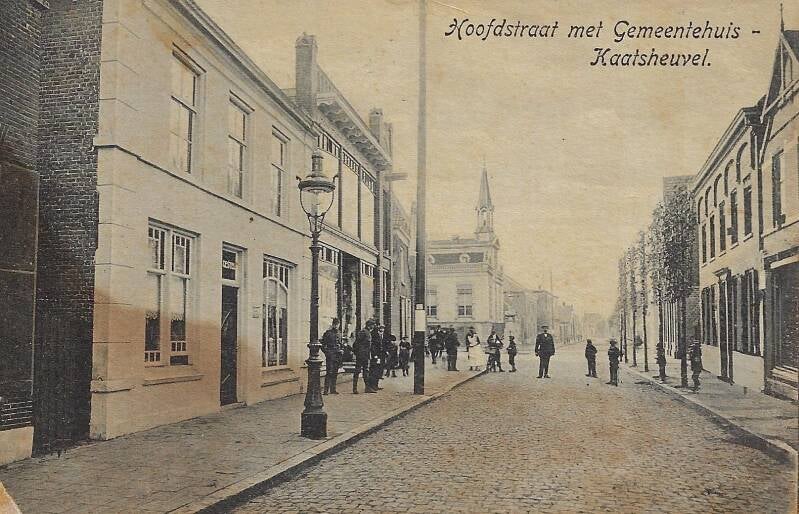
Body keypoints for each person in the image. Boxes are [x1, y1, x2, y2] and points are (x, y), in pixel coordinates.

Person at [352, 320, 374, 394]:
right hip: (361, 355)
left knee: (366, 371)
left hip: (366, 355)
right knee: (357, 371)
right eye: (372, 325)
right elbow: (356, 343)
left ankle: (367, 388)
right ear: (369, 325)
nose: (373, 327)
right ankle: (354, 388)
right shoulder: (363, 332)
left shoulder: (368, 332)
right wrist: (357, 353)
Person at [322, 318, 342, 395]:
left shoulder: (339, 333)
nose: (336, 326)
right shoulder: (328, 333)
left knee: (335, 372)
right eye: (335, 324)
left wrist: (341, 350)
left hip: (337, 355)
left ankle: (333, 389)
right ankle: (326, 390)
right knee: (329, 372)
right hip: (330, 355)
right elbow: (323, 344)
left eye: (337, 324)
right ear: (333, 324)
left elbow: (340, 344)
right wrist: (326, 352)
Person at [369, 324, 386, 390]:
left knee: (379, 370)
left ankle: (376, 385)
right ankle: (372, 385)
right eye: (381, 328)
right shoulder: (375, 336)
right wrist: (375, 355)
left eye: (383, 328)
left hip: (382, 356)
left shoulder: (383, 336)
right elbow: (373, 346)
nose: (382, 329)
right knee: (374, 370)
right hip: (376, 356)